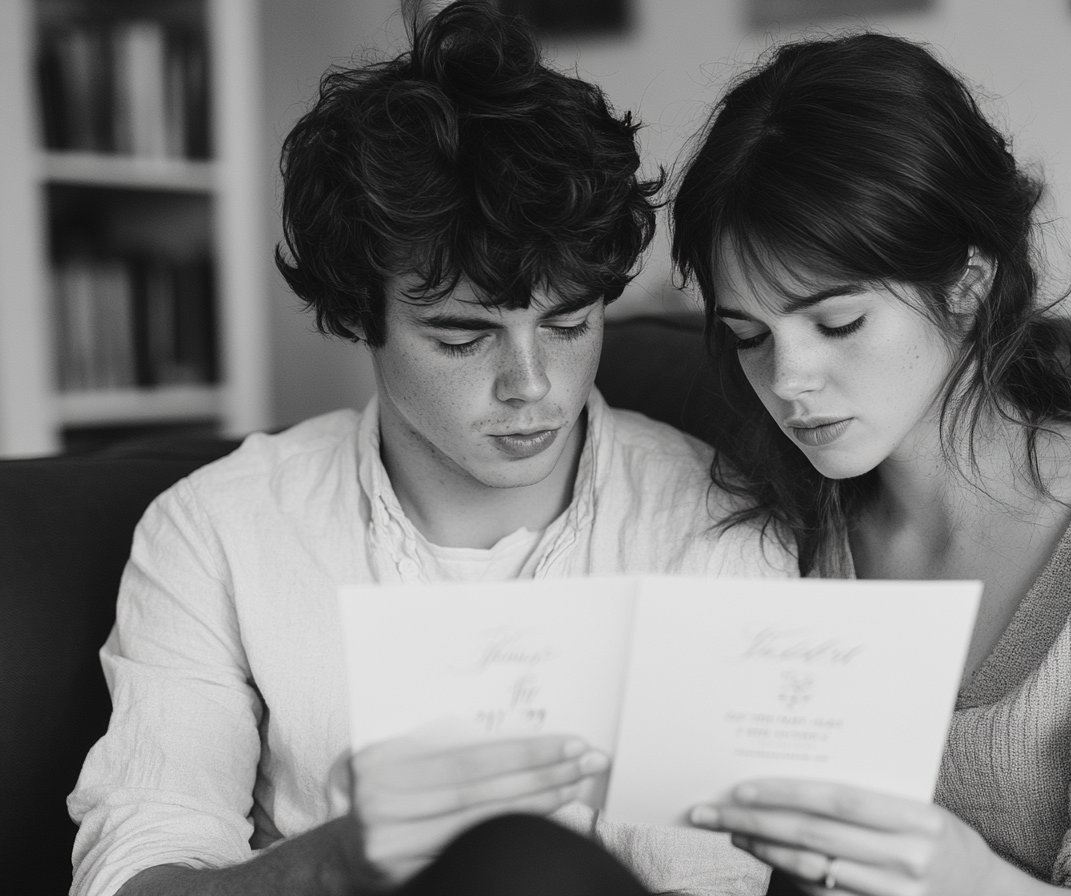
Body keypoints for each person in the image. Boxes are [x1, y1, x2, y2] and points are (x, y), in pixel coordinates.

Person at [67, 4, 793, 895]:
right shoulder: (219, 531)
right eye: (462, 338)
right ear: (357, 315)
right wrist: (343, 859)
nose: (533, 385)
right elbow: (135, 872)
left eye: (567, 324)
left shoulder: (715, 530)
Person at [671, 32, 1071, 896]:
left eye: (838, 324)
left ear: (966, 284)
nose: (787, 381)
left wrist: (954, 875)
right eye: (747, 336)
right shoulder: (779, 544)